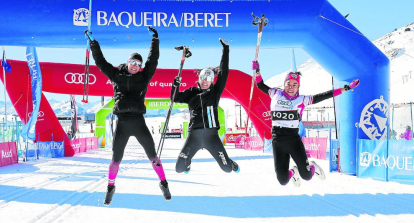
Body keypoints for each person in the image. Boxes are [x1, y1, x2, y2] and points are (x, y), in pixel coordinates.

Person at [85, 27, 171, 205]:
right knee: (115, 160)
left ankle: (163, 183)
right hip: (122, 123)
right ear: (128, 62)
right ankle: (110, 187)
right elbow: (101, 62)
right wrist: (93, 44)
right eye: (133, 62)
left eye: (138, 64)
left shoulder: (144, 77)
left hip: (139, 122)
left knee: (153, 157)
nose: (135, 66)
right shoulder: (116, 75)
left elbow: (153, 60)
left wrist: (155, 39)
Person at [252, 60, 360, 186]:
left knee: (307, 176)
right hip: (277, 140)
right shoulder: (275, 93)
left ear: (298, 87)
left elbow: (323, 96)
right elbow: (260, 85)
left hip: (293, 139)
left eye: (294, 85)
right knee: (282, 180)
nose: (291, 87)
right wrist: (257, 71)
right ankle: (293, 172)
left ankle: (312, 167)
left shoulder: (302, 99)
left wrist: (345, 88)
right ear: (284, 84)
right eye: (288, 84)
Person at [171, 38, 239, 174]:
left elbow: (224, 72)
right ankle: (188, 163)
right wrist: (175, 86)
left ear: (212, 81)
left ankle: (230, 162)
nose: (205, 81)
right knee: (179, 169)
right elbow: (175, 98)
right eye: (202, 78)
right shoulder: (192, 92)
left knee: (227, 169)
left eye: (208, 79)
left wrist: (225, 50)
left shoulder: (215, 92)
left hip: (211, 136)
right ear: (199, 79)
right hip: (194, 136)